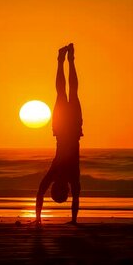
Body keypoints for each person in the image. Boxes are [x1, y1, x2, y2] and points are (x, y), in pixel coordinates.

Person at [35, 43, 83, 225]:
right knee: (67, 92)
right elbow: (41, 192)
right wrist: (73, 220)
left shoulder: (61, 174)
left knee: (66, 92)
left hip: (66, 129)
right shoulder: (69, 176)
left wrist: (39, 219)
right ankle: (65, 59)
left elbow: (40, 192)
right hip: (66, 129)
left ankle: (65, 59)